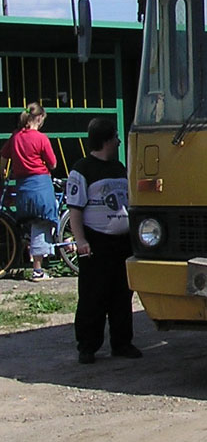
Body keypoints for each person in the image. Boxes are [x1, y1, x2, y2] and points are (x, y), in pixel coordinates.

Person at [67, 117, 141, 364]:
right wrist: (81, 241)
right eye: (116, 137)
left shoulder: (119, 168)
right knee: (93, 297)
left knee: (122, 296)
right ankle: (87, 346)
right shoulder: (82, 169)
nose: (119, 141)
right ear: (106, 140)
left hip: (121, 243)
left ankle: (122, 343)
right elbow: (75, 211)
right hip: (96, 243)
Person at [0, 103, 58, 281]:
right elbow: (53, 163)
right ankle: (38, 270)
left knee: (29, 223)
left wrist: (3, 174)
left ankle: (31, 250)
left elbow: (3, 157)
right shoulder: (41, 138)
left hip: (22, 187)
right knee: (42, 222)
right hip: (40, 185)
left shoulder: (16, 137)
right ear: (39, 118)